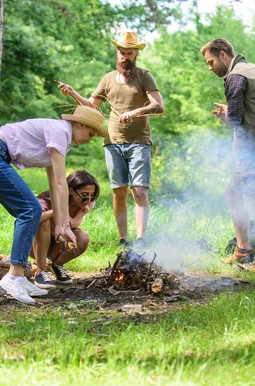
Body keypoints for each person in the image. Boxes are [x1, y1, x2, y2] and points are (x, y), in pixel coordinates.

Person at [0, 106, 107, 304]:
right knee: (31, 209)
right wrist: (64, 225)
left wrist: (62, 225)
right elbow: (62, 184)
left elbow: (54, 183)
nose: (89, 139)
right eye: (90, 133)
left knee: (29, 211)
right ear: (80, 124)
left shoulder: (60, 138)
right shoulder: (60, 131)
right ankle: (14, 276)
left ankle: (19, 277)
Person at [57, 31, 164, 249]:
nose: (125, 56)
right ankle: (124, 239)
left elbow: (158, 106)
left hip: (139, 141)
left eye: (129, 53)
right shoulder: (107, 79)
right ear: (117, 53)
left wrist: (134, 113)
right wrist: (74, 93)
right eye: (122, 52)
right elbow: (92, 105)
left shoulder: (144, 76)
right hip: (113, 142)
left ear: (136, 54)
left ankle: (142, 239)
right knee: (119, 190)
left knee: (139, 190)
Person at [200, 38, 255, 272]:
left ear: (223, 54)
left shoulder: (235, 77)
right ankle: (242, 251)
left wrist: (225, 116)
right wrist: (231, 111)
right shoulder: (254, 69)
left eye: (211, 62)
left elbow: (237, 120)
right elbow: (251, 109)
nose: (209, 68)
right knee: (233, 192)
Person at [30, 169, 100, 289]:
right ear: (71, 190)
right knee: (43, 222)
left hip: (59, 243)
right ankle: (41, 272)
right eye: (84, 195)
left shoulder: (88, 204)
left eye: (91, 195)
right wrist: (57, 211)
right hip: (35, 244)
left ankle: (56, 265)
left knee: (83, 238)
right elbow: (32, 219)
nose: (88, 200)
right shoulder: (47, 200)